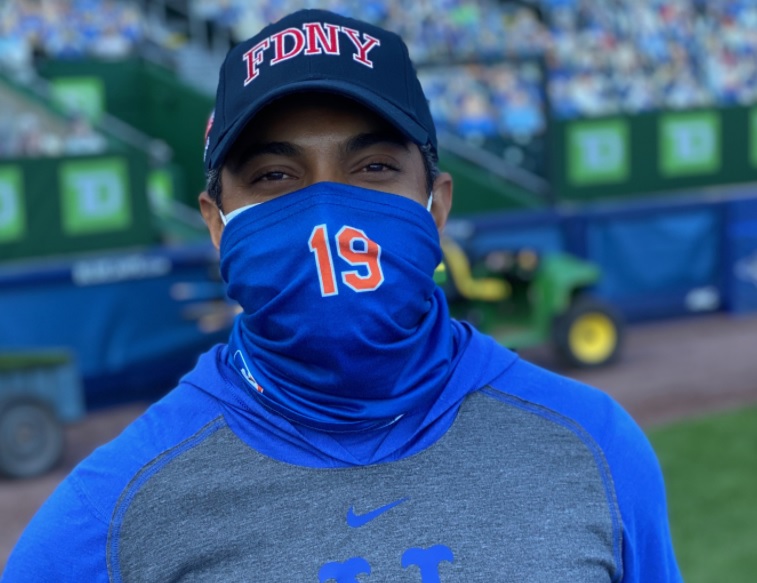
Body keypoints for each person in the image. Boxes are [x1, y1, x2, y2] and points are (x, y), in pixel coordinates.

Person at [2, 9, 682, 582]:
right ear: (215, 222)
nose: (327, 208)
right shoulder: (113, 511)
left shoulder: (595, 443)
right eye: (274, 174)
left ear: (435, 206)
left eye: (374, 167)